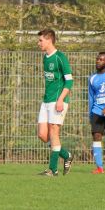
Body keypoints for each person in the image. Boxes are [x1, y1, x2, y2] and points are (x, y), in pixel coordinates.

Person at [36, 29, 73, 176]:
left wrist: (60, 100)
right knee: (43, 135)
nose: (38, 43)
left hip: (58, 101)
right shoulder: (45, 58)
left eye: (41, 40)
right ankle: (66, 155)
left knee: (53, 131)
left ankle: (52, 169)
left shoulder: (60, 57)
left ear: (49, 40)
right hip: (46, 100)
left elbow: (69, 81)